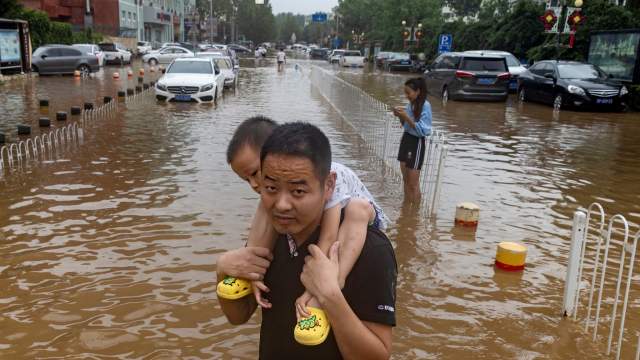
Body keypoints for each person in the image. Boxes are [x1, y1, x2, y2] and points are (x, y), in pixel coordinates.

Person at [217, 122, 397, 359]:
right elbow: (238, 316)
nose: (281, 204)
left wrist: (329, 295)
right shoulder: (271, 237)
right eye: (270, 187)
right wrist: (222, 271)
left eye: (298, 191)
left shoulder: (370, 249)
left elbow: (377, 356)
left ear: (329, 185)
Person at [392, 77, 432, 203]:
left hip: (416, 143)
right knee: (405, 180)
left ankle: (414, 212)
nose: (407, 96)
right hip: (406, 139)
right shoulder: (411, 105)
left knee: (413, 183)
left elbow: (423, 130)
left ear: (418, 91)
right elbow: (406, 126)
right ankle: (406, 209)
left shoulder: (425, 106)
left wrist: (406, 117)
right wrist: (400, 116)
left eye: (408, 93)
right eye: (405, 93)